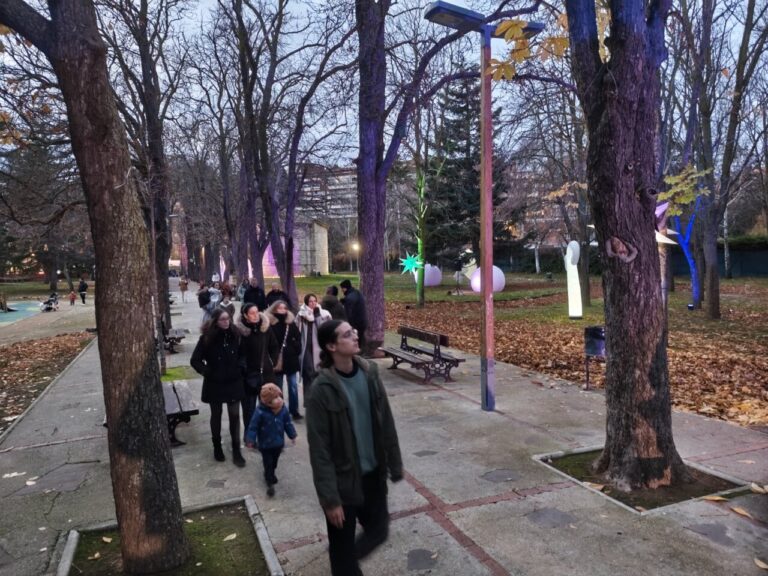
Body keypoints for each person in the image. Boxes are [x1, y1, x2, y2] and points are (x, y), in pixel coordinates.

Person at [306, 320, 403, 576]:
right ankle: (344, 561)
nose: (355, 336)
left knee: (379, 530)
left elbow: (386, 421)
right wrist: (330, 500)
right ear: (331, 346)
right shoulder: (320, 391)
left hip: (373, 475)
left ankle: (344, 558)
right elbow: (319, 450)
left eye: (354, 331)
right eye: (348, 334)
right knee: (343, 554)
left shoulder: (370, 373)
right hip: (343, 483)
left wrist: (394, 463)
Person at [190, 307, 247, 467]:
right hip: (215, 383)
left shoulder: (236, 335)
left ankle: (236, 450)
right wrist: (208, 372)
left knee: (235, 415)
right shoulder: (207, 338)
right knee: (216, 415)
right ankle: (217, 446)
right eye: (222, 319)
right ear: (215, 321)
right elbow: (195, 360)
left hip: (234, 381)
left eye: (228, 318)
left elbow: (243, 355)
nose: (226, 322)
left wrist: (241, 367)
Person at [245, 383, 297, 497]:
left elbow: (288, 423)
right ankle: (269, 482)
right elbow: (253, 426)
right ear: (267, 401)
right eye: (275, 398)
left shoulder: (283, 409)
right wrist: (250, 439)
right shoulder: (260, 412)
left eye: (279, 396)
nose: (278, 400)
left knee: (274, 462)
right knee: (268, 462)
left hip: (278, 443)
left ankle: (271, 471)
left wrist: (292, 435)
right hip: (265, 444)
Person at [237, 303, 279, 439]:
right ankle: (249, 436)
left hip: (266, 373)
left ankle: (267, 435)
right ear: (245, 315)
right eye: (252, 313)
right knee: (249, 410)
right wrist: (242, 368)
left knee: (268, 407)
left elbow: (274, 346)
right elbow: (237, 353)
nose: (255, 315)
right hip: (248, 375)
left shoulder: (265, 328)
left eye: (256, 311)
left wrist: (272, 362)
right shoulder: (239, 331)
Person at [265, 300, 303, 420]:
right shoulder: (269, 323)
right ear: (274, 309)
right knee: (278, 386)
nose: (283, 310)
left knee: (292, 386)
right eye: (280, 308)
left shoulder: (290, 322)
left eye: (285, 308)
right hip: (277, 360)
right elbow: (268, 342)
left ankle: (294, 410)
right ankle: (279, 409)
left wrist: (295, 348)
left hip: (290, 358)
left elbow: (298, 337)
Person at [296, 293, 331, 403]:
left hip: (319, 349)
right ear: (306, 302)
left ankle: (319, 400)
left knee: (319, 373)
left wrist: (316, 315)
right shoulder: (301, 314)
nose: (313, 303)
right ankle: (308, 400)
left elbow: (324, 329)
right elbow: (297, 328)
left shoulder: (324, 314)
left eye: (315, 301)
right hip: (306, 348)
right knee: (308, 373)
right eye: (310, 301)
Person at [340, 279, 367, 350]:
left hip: (356, 323)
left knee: (355, 342)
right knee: (359, 341)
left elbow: (348, 314)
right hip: (363, 321)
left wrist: (349, 325)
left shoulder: (349, 298)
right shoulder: (357, 292)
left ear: (344, 288)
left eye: (342, 289)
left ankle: (356, 356)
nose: (341, 291)